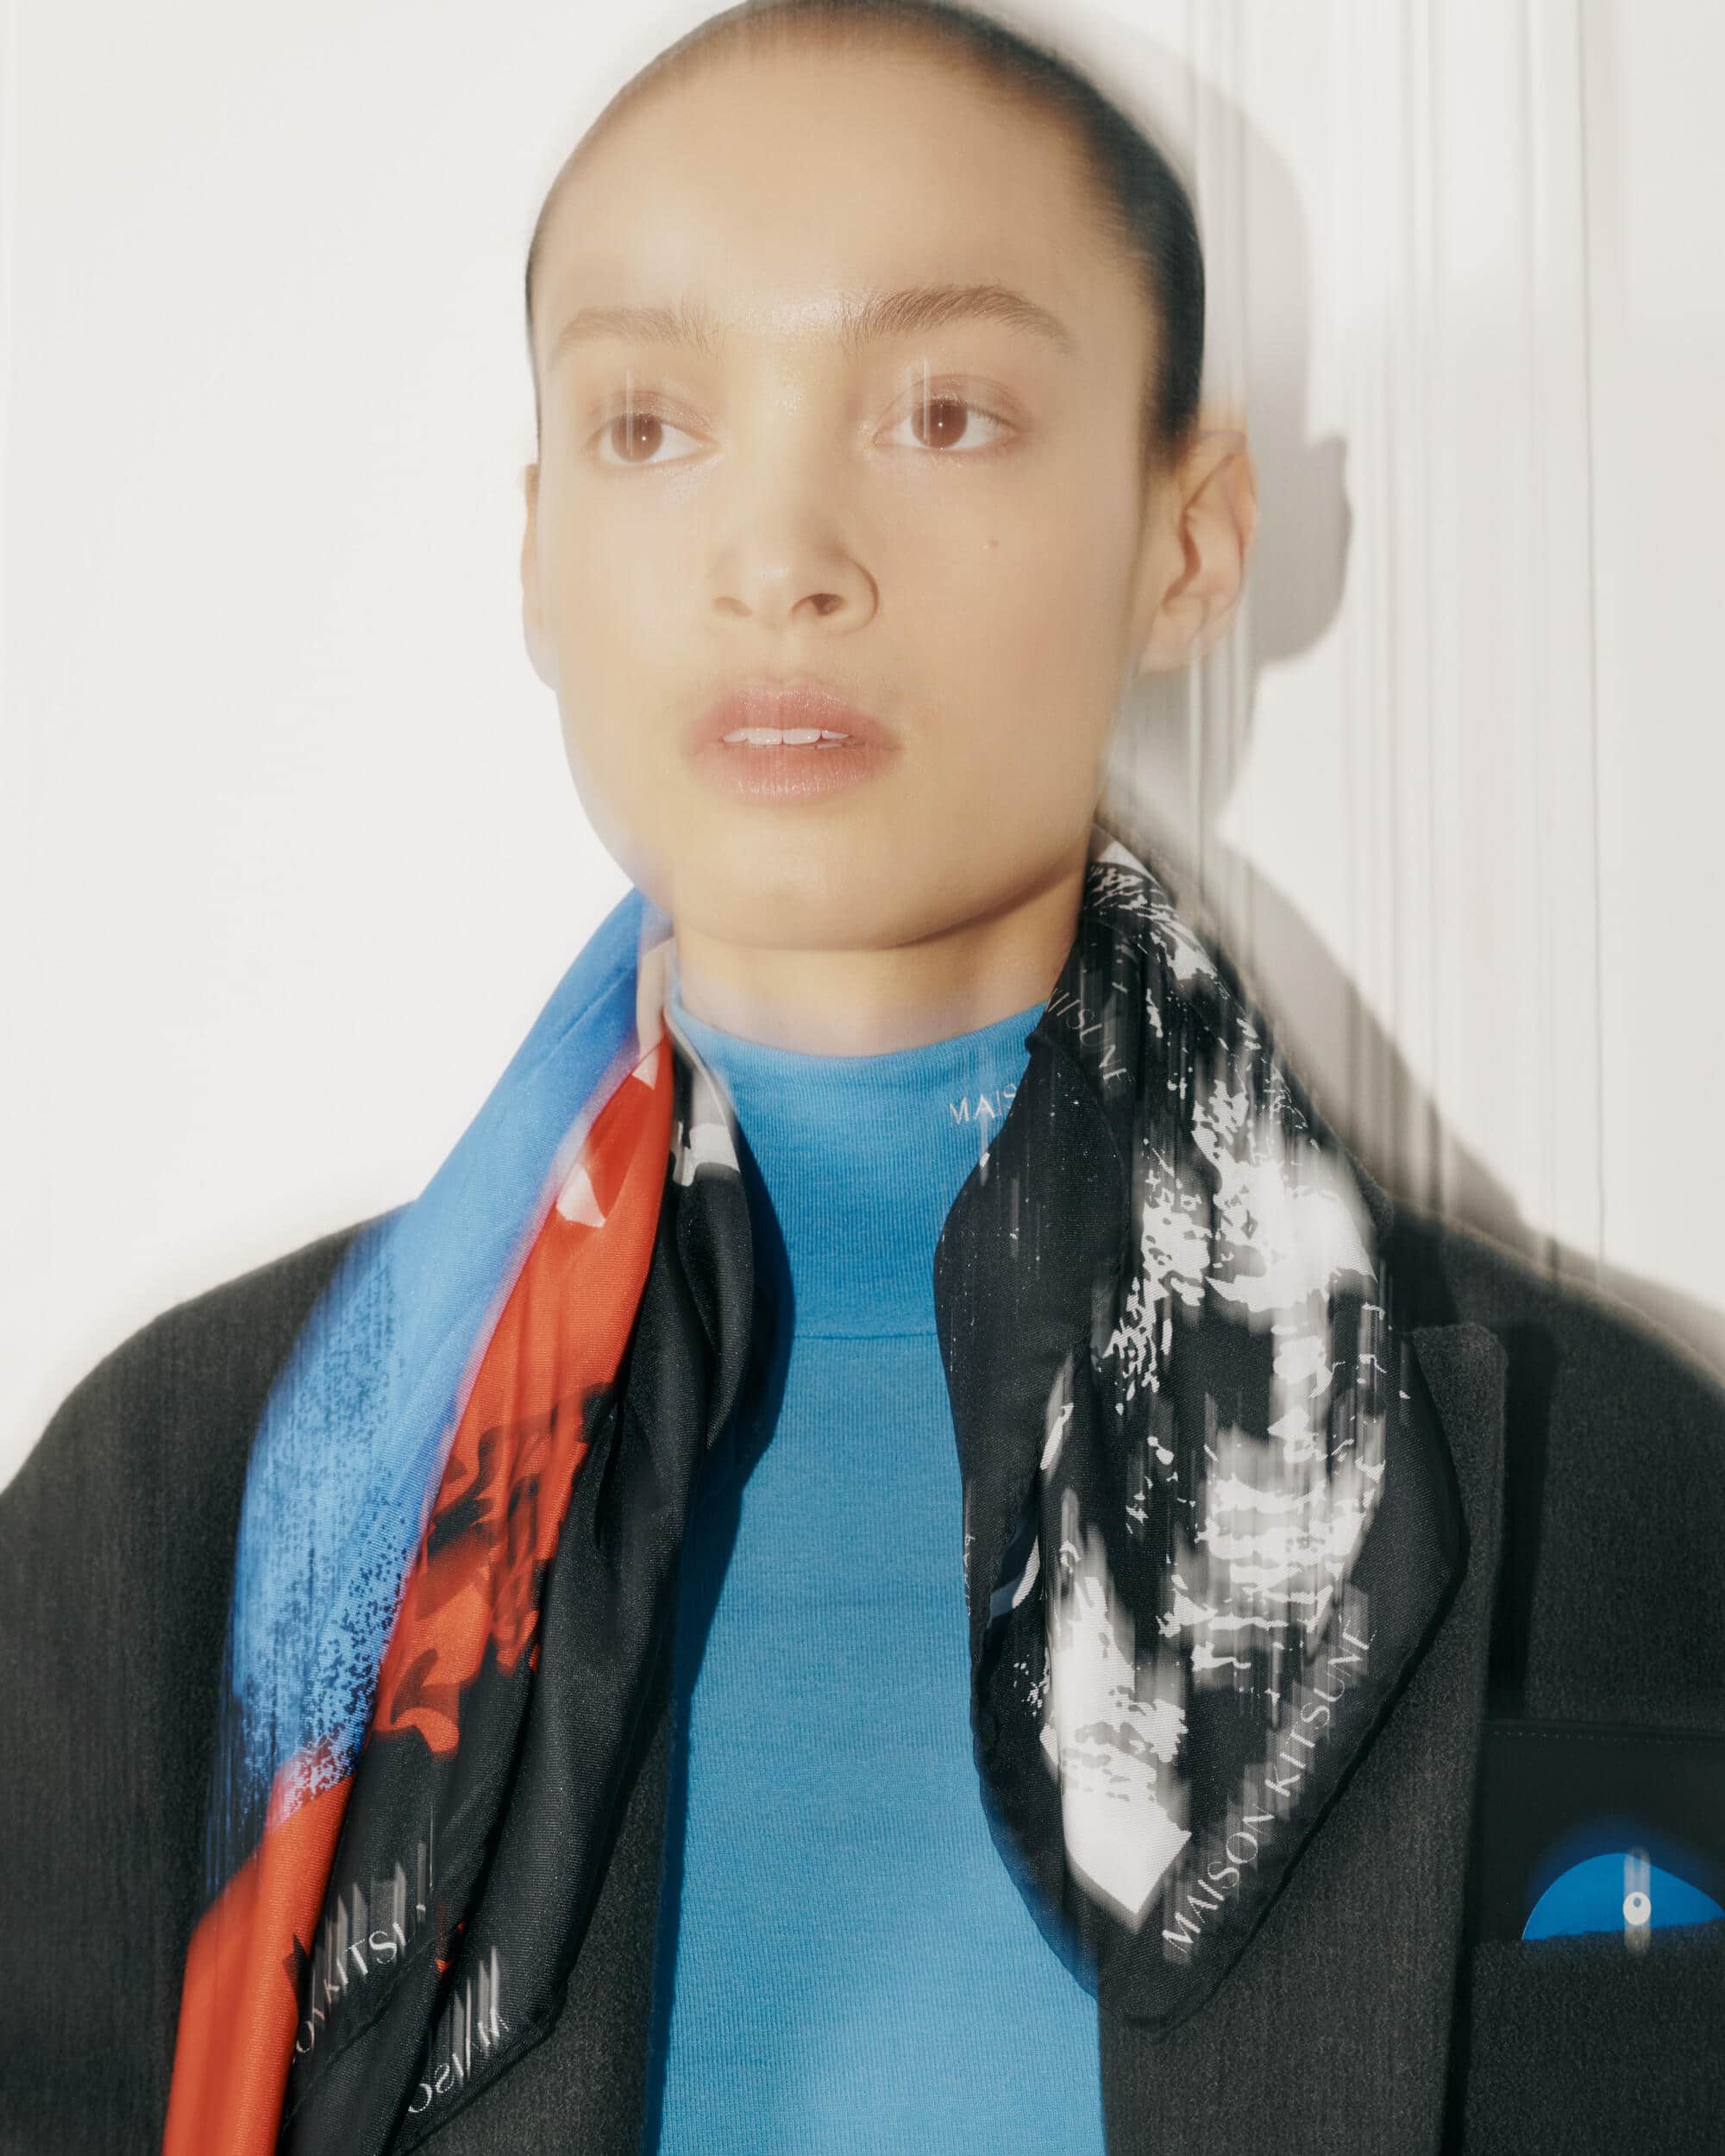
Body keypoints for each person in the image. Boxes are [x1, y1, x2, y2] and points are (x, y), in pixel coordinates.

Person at [3, 3, 1722, 2153]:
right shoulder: (179, 1511)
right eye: (650, 424)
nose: (782, 551)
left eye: (943, 410)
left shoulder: (1598, 1479)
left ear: (1188, 539)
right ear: (537, 549)